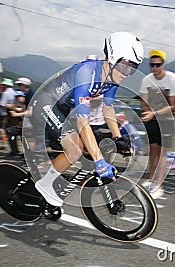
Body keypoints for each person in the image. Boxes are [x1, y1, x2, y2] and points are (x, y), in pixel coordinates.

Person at [30, 32, 144, 207]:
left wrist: (118, 138)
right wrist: (99, 162)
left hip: (63, 108)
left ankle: (54, 176)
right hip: (46, 102)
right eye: (126, 66)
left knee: (82, 148)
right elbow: (83, 122)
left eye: (133, 68)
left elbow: (108, 108)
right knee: (75, 149)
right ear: (113, 58)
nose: (128, 73)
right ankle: (45, 184)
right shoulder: (87, 74)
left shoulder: (112, 79)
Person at [140, 49, 175, 199]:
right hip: (152, 117)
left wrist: (154, 113)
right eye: (152, 65)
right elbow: (143, 101)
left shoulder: (173, 79)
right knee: (153, 149)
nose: (155, 68)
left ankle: (159, 185)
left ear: (163, 64)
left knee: (163, 151)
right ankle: (151, 179)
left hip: (168, 119)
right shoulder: (147, 79)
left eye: (158, 65)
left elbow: (173, 105)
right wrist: (147, 112)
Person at [5, 90, 26, 157]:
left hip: (23, 125)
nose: (18, 98)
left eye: (20, 96)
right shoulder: (14, 105)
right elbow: (12, 112)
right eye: (17, 97)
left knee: (24, 139)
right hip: (16, 125)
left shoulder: (26, 104)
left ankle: (25, 152)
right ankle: (14, 151)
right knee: (12, 137)